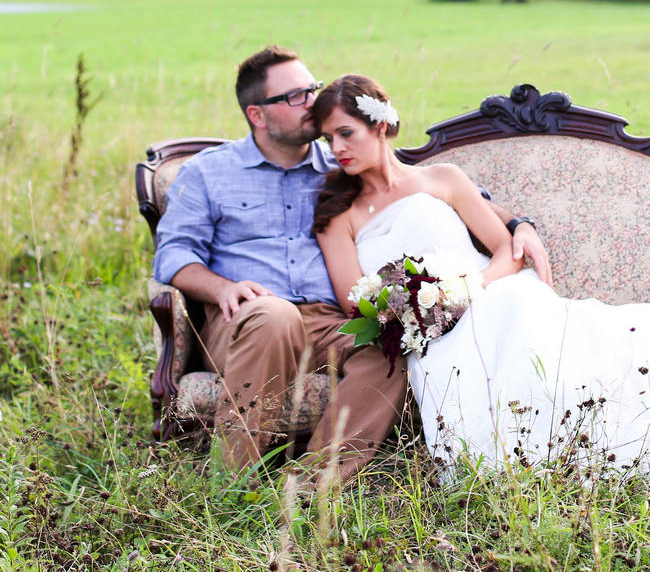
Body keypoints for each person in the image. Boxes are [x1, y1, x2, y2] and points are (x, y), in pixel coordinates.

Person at [153, 46, 551, 481]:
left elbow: (455, 196)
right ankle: (230, 482)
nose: (310, 103)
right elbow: (174, 255)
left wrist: (520, 224)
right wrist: (222, 289)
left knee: (393, 345)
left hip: (326, 320)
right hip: (247, 317)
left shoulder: (338, 165)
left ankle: (315, 482)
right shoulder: (209, 172)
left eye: (311, 89)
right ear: (257, 114)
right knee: (273, 316)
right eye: (294, 96)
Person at [313, 74, 650, 472]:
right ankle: (521, 467)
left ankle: (581, 446)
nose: (337, 148)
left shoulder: (443, 178)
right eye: (327, 139)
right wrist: (424, 312)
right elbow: (355, 302)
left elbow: (507, 251)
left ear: (380, 125)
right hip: (426, 327)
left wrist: (468, 292)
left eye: (346, 133)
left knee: (519, 309)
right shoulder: (339, 213)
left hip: (493, 292)